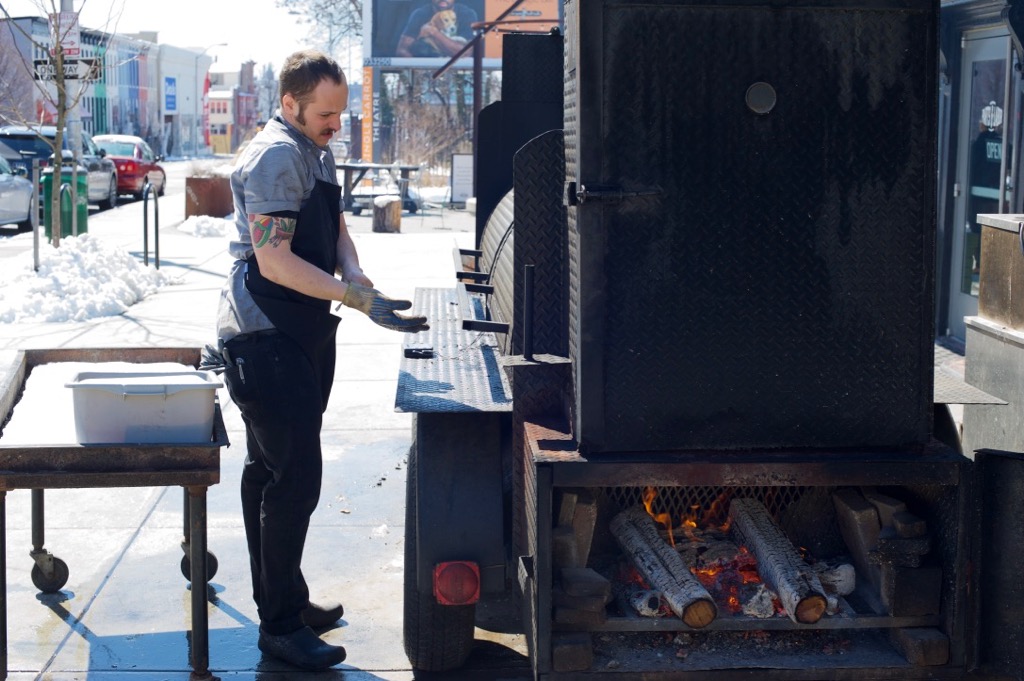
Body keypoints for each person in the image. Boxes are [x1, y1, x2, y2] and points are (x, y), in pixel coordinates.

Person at [213, 49, 428, 671]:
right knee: (294, 478)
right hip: (264, 332)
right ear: (290, 105)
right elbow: (274, 259)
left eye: (341, 112)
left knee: (271, 473)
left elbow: (334, 232)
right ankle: (279, 626)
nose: (337, 124)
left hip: (300, 328)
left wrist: (360, 278)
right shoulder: (277, 155)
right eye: (326, 114)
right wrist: (354, 299)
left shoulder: (316, 150)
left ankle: (285, 601)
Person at [395, 0, 478, 58]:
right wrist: (419, 70)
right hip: (426, 71)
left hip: (456, 73)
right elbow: (402, 50)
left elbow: (466, 53)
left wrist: (433, 32)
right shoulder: (420, 14)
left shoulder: (467, 14)